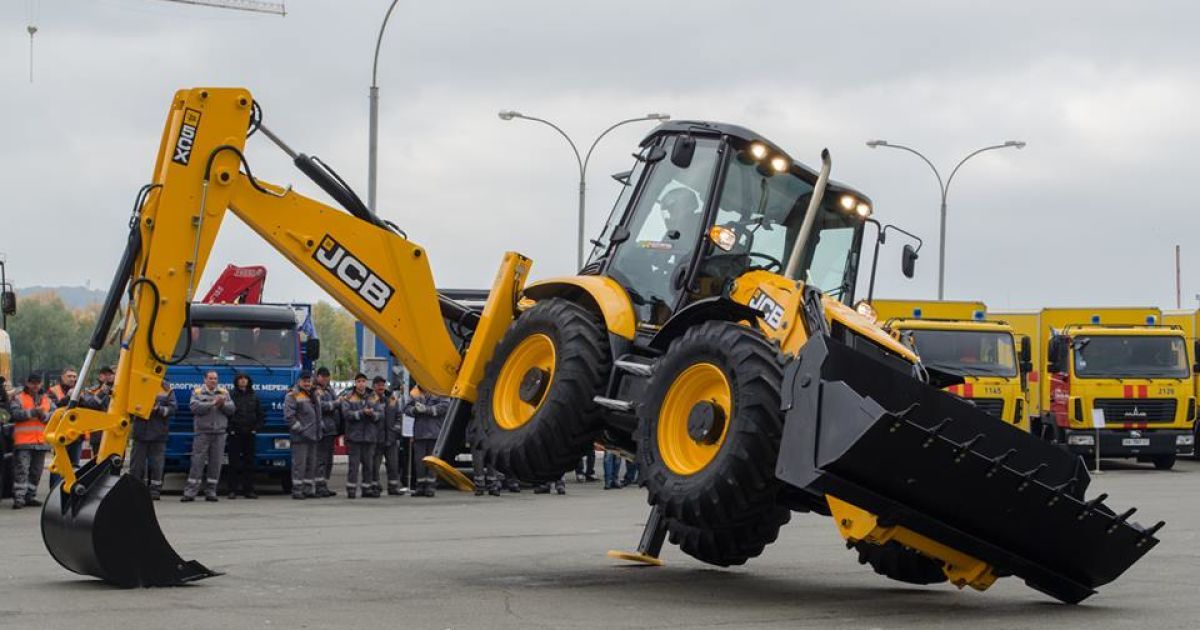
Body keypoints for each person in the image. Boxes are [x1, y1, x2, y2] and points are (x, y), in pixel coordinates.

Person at [182, 370, 234, 502]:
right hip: (202, 432)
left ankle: (211, 492)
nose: (213, 381)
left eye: (215, 378)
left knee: (216, 463)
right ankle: (190, 492)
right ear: (205, 379)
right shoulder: (198, 392)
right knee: (197, 461)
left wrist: (222, 404)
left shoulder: (224, 392)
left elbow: (232, 409)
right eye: (210, 378)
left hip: (219, 433)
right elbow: (194, 407)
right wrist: (212, 403)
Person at [8, 374, 54, 509]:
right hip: (23, 442)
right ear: (27, 383)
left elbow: (55, 415)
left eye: (38, 383)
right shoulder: (18, 398)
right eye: (32, 383)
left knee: (36, 471)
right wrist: (33, 412)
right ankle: (19, 498)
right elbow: (15, 415)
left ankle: (30, 496)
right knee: (22, 470)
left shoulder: (46, 399)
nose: (35, 385)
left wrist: (43, 415)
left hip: (41, 442)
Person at [129, 380, 176, 500]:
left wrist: (158, 409)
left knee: (157, 464)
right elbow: (128, 405)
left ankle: (155, 490)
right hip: (141, 432)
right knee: (136, 465)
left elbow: (173, 408)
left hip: (158, 433)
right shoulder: (138, 384)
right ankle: (135, 489)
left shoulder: (166, 389)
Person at [404, 384, 448, 498]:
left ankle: (430, 487)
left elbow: (445, 406)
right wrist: (414, 409)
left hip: (434, 432)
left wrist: (427, 410)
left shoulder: (439, 388)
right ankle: (420, 486)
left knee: (432, 462)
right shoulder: (415, 392)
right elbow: (406, 409)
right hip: (420, 433)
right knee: (419, 462)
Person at [284, 370, 321, 500]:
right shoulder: (293, 395)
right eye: (305, 381)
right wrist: (301, 430)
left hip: (313, 436)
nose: (307, 383)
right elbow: (289, 417)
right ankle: (297, 490)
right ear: (299, 381)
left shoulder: (313, 394)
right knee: (299, 465)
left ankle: (309, 489)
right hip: (301, 437)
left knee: (311, 465)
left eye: (309, 381)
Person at [226, 372, 264, 499]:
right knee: (233, 463)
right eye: (240, 379)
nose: (243, 381)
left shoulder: (254, 396)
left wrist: (255, 429)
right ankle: (232, 490)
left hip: (250, 433)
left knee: (249, 462)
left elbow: (260, 415)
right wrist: (230, 429)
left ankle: (249, 490)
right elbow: (226, 414)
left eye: (245, 379)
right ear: (236, 381)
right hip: (235, 433)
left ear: (248, 381)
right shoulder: (230, 396)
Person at [341, 373, 378, 499]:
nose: (361, 383)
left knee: (368, 465)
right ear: (355, 383)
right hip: (354, 437)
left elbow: (380, 414)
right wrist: (362, 413)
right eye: (359, 381)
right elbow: (346, 414)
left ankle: (366, 489)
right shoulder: (349, 397)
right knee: (354, 466)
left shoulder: (373, 396)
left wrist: (373, 414)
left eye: (363, 381)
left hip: (369, 437)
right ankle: (351, 490)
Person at [370, 376, 406, 496]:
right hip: (376, 439)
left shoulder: (391, 399)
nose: (381, 387)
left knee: (393, 465)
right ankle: (374, 487)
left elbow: (399, 416)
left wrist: (396, 429)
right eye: (378, 385)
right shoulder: (370, 399)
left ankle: (393, 487)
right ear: (373, 386)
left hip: (391, 439)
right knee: (374, 466)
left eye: (382, 385)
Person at [45, 367, 79, 487]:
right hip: (60, 434)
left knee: (74, 466)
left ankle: (70, 491)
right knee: (59, 466)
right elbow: (53, 408)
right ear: (62, 377)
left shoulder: (80, 390)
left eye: (74, 376)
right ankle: (55, 491)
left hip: (76, 434)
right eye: (69, 376)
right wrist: (68, 398)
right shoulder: (53, 391)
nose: (72, 379)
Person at [312, 367, 339, 498]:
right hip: (321, 429)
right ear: (317, 377)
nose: (325, 379)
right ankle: (319, 487)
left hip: (331, 429)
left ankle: (325, 485)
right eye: (322, 376)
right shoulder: (315, 390)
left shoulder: (329, 389)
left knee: (329, 460)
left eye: (327, 377)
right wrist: (335, 404)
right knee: (321, 460)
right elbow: (320, 406)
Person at [80, 366, 116, 457]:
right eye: (105, 374)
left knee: (116, 464)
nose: (108, 377)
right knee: (98, 462)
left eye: (111, 374)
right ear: (100, 376)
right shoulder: (91, 390)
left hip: (115, 433)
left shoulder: (120, 390)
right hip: (98, 434)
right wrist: (105, 389)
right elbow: (91, 405)